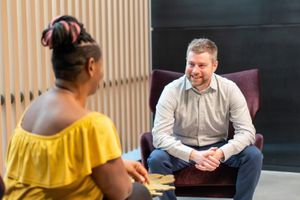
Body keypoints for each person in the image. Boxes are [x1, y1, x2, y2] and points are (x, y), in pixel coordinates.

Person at [3, 15, 151, 200]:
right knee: (139, 193)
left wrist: (119, 163)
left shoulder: (31, 111)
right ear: (91, 66)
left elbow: (55, 164)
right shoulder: (92, 124)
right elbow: (120, 191)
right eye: (101, 66)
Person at [147, 38, 263, 200]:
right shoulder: (171, 90)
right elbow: (159, 136)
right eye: (191, 64)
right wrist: (194, 155)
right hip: (181, 147)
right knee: (156, 159)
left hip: (218, 146)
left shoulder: (229, 89)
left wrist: (222, 153)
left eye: (201, 65)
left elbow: (247, 132)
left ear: (214, 65)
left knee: (253, 155)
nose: (194, 71)